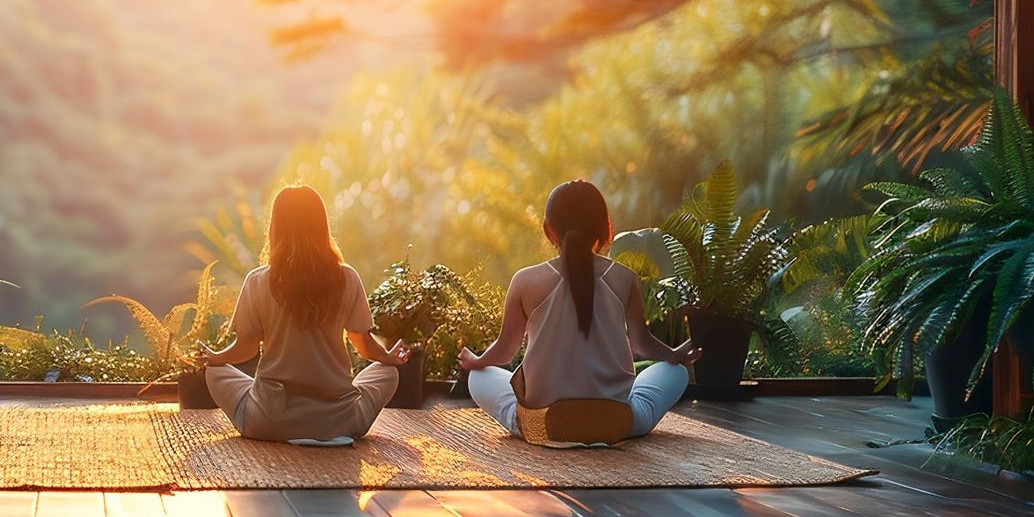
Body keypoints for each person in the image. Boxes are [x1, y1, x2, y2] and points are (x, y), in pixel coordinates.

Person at [457, 179, 704, 440]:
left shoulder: (525, 280)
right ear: (605, 229)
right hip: (616, 423)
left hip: (543, 425)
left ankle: (530, 422)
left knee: (479, 377)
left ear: (548, 230)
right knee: (675, 373)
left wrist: (476, 362)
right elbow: (642, 344)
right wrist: (674, 355)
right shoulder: (625, 279)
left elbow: (505, 350)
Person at [198, 185, 414, 441]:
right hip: (339, 419)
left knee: (215, 370)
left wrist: (214, 357)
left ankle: (265, 422)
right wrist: (389, 358)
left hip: (270, 420)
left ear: (275, 227)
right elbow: (364, 347)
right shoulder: (346, 277)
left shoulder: (257, 281)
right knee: (387, 372)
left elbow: (246, 349)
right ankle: (333, 427)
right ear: (321, 226)